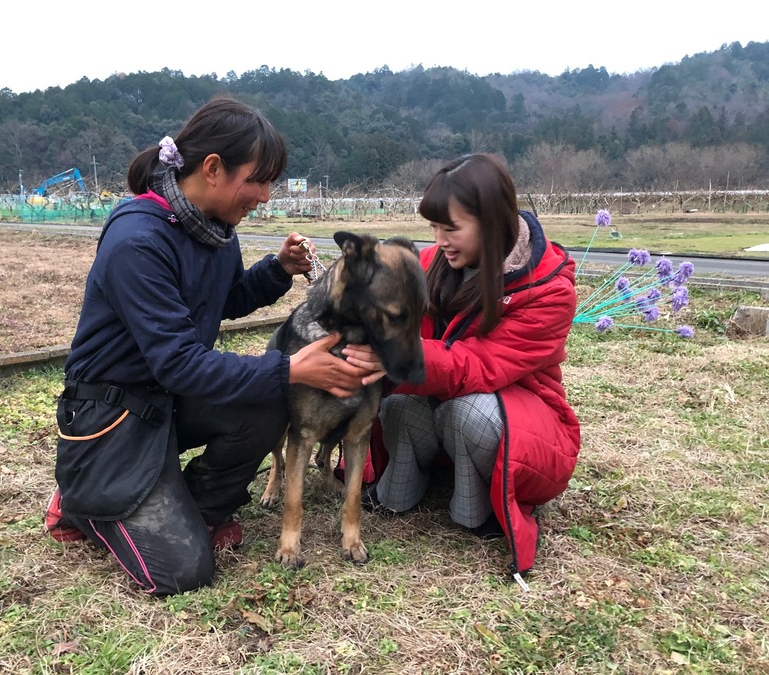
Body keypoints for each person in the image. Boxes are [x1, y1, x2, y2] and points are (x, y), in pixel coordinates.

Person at [43, 96, 384, 596]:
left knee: (268, 400)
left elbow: (219, 302)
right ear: (212, 169)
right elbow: (179, 362)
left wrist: (276, 270)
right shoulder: (138, 239)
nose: (266, 196)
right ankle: (82, 499)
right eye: (258, 180)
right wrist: (288, 368)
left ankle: (195, 508)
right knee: (183, 572)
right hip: (113, 417)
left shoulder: (216, 231)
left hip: (167, 402)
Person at [364, 153, 580, 582]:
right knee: (398, 407)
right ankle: (399, 491)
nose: (439, 239)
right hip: (441, 408)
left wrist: (398, 355)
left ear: (491, 220)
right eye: (434, 227)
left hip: (520, 421)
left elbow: (480, 366)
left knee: (472, 412)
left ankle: (474, 510)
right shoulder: (433, 265)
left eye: (452, 228)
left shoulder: (549, 289)